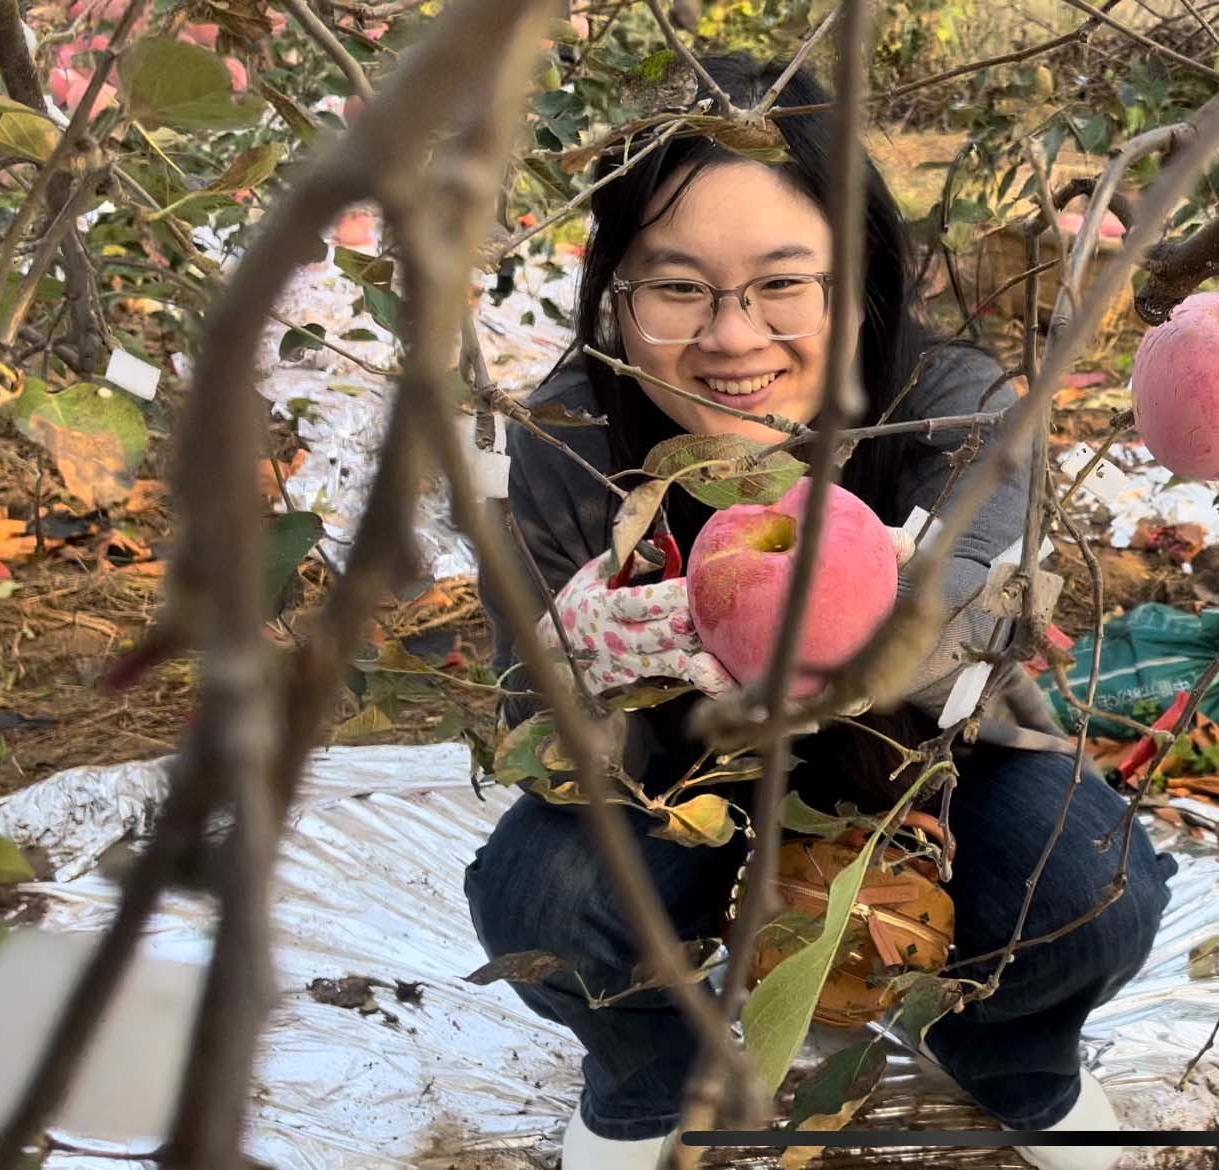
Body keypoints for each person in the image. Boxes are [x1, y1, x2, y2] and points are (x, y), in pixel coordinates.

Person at [462, 52, 1181, 1170]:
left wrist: (765, 626)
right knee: (544, 897)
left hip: (932, 760)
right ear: (616, 290)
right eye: (677, 287)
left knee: (1090, 882)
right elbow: (533, 711)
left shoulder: (952, 407)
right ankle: (650, 1082)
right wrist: (594, 660)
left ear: (862, 280)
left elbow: (972, 610)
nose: (732, 338)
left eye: (783, 282)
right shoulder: (569, 441)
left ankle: (1010, 1060)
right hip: (668, 776)